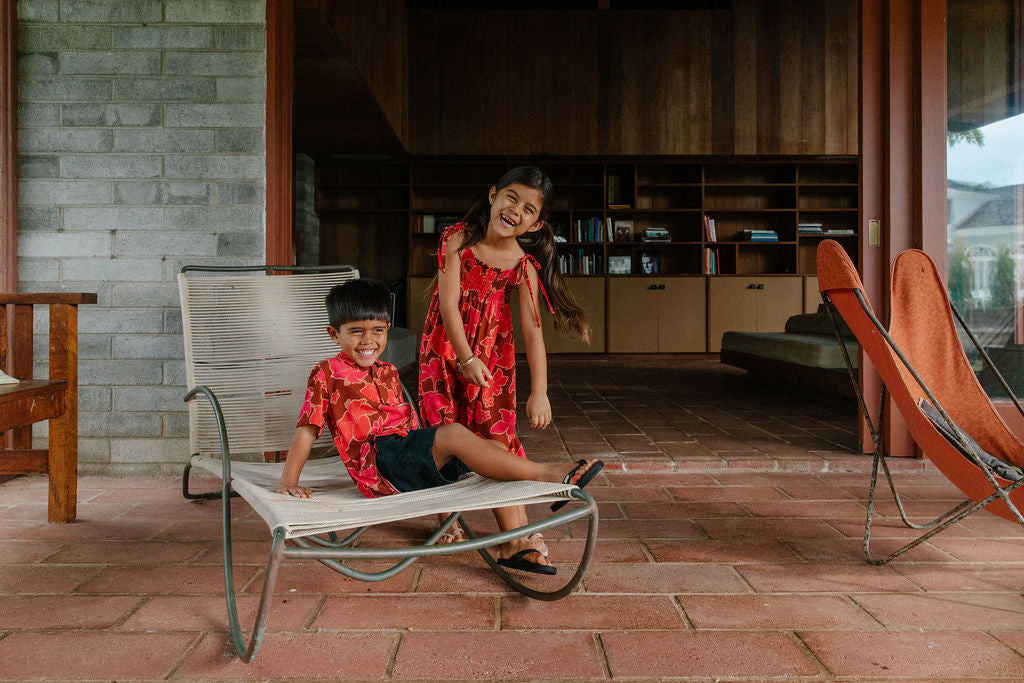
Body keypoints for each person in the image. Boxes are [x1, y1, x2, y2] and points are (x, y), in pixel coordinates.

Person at [275, 278, 603, 575]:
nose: (369, 341)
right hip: (377, 466)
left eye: (378, 330)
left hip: (405, 457)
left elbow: (410, 428)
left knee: (496, 447)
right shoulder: (327, 372)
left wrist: (439, 495)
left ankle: (514, 543)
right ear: (335, 334)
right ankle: (547, 474)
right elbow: (307, 428)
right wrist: (289, 481)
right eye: (356, 331)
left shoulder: (388, 370)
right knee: (454, 434)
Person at [417, 166, 592, 573]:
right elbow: (447, 305)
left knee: (496, 439)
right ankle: (446, 519)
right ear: (494, 195)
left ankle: (518, 539)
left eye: (529, 209)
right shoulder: (457, 238)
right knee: (442, 430)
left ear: (536, 222)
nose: (517, 210)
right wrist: (465, 357)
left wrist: (540, 391)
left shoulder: (523, 266)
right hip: (444, 354)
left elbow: (533, 333)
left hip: (493, 361)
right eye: (511, 197)